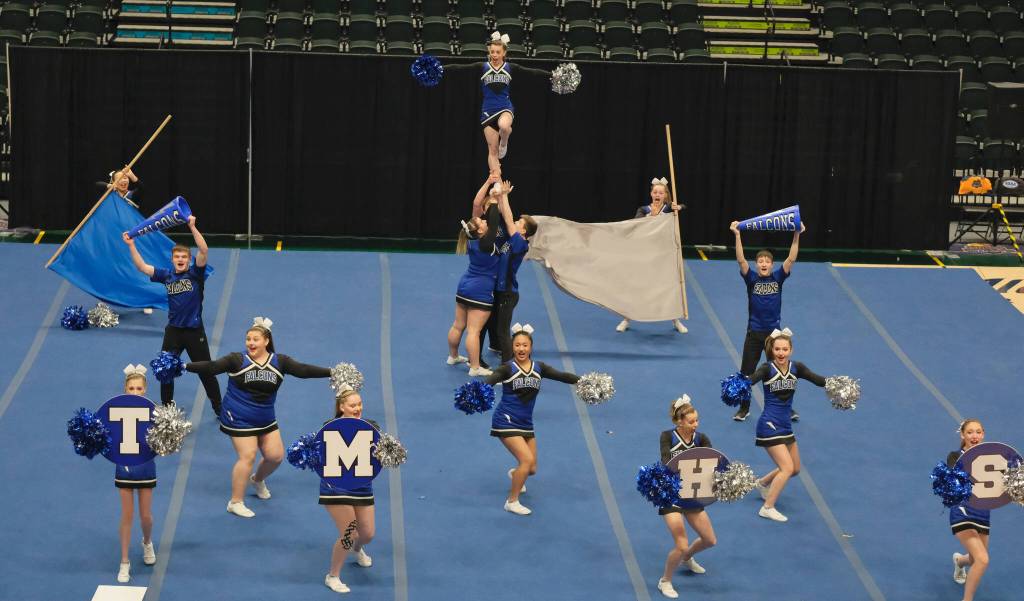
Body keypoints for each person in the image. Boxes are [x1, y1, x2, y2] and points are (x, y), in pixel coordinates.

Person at [184, 317, 332, 518]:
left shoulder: (280, 362)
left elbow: (304, 370)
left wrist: (332, 372)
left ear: (266, 341)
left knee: (275, 457)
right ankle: (235, 502)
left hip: (265, 417)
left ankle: (257, 479)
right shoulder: (236, 360)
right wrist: (184, 366)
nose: (251, 343)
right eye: (248, 339)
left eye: (255, 339)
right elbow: (211, 367)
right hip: (238, 415)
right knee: (248, 456)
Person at [122, 216, 222, 413]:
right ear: (172, 259)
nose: (180, 259)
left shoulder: (196, 274)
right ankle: (167, 409)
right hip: (173, 332)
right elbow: (142, 267)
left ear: (189, 260)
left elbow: (204, 250)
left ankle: (219, 408)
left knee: (206, 372)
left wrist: (192, 226)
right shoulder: (167, 275)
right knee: (165, 370)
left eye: (184, 257)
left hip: (194, 332)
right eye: (177, 257)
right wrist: (131, 245)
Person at [484, 324, 582, 515]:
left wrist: (583, 381)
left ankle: (516, 475)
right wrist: (478, 390)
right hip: (506, 420)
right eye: (517, 345)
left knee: (532, 469)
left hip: (526, 423)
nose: (521, 349)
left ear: (530, 347)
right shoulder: (507, 368)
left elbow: (562, 376)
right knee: (526, 460)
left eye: (525, 345)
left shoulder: (539, 368)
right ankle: (511, 501)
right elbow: (490, 381)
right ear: (512, 347)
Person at [444, 31, 552, 176]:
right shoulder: (482, 66)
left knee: (504, 126)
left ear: (504, 53)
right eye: (492, 52)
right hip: (487, 111)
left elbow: (532, 72)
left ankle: (504, 142)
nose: (494, 55)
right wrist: (441, 68)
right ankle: (496, 183)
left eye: (498, 52)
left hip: (505, 107)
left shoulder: (510, 67)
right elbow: (459, 68)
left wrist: (551, 75)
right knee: (492, 152)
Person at [729, 219, 805, 422]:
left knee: (780, 374)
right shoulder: (751, 279)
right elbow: (740, 260)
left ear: (772, 265)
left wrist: (797, 234)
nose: (763, 263)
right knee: (746, 373)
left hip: (774, 336)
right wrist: (738, 235)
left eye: (767, 261)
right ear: (757, 265)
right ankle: (744, 408)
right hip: (754, 333)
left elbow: (791, 258)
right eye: (760, 261)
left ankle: (785, 408)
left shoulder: (778, 278)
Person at [748, 329, 825, 523]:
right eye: (777, 349)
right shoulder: (767, 369)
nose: (781, 353)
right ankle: (767, 507)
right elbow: (751, 380)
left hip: (785, 425)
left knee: (795, 468)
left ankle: (763, 483)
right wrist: (740, 383)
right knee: (787, 468)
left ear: (791, 350)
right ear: (772, 350)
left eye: (784, 349)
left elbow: (817, 379)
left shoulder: (797, 368)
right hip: (769, 424)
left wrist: (835, 384)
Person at [448, 180, 514, 376]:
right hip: (481, 289)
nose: (485, 222)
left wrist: (495, 195)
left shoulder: (470, 239)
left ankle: (453, 356)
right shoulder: (486, 243)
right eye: (482, 223)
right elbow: (493, 222)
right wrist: (494, 199)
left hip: (464, 286)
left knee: (457, 325)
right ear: (480, 231)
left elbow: (487, 219)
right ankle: (475, 367)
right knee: (474, 331)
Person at [656, 396, 715, 599]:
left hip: (691, 494)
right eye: (691, 421)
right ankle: (665, 581)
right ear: (679, 421)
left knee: (709, 540)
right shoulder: (667, 436)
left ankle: (686, 558)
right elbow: (666, 461)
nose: (695, 424)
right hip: (671, 494)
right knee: (681, 543)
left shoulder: (701, 438)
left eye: (697, 420)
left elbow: (712, 461)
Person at [322, 388, 377, 594]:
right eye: (353, 405)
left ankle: (357, 549)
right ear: (341, 407)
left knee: (367, 534)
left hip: (362, 486)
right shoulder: (329, 428)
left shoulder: (372, 426)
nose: (358, 408)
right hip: (335, 487)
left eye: (360, 404)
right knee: (350, 532)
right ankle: (333, 576)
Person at [616, 178, 687, 335]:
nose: (657, 195)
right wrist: (650, 218)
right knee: (637, 287)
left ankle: (675, 320)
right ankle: (626, 319)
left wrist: (679, 207)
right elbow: (635, 224)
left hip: (664, 256)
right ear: (651, 194)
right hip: (645, 255)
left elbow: (684, 206)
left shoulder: (668, 209)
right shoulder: (643, 210)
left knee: (669, 288)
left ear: (665, 195)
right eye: (655, 192)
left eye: (661, 193)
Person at [114, 365, 157, 583]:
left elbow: (161, 443)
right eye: (131, 388)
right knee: (127, 515)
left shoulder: (154, 412)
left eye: (139, 388)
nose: (135, 392)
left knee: (146, 516)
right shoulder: (115, 411)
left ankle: (147, 542)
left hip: (146, 466)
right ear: (125, 389)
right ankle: (124, 561)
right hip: (124, 467)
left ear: (145, 389)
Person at [948, 419, 991, 601]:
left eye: (978, 432)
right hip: (962, 512)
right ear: (962, 435)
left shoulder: (992, 459)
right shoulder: (954, 456)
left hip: (983, 513)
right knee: (982, 559)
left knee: (974, 559)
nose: (974, 436)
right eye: (970, 432)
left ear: (983, 435)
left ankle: (959, 561)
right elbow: (953, 482)